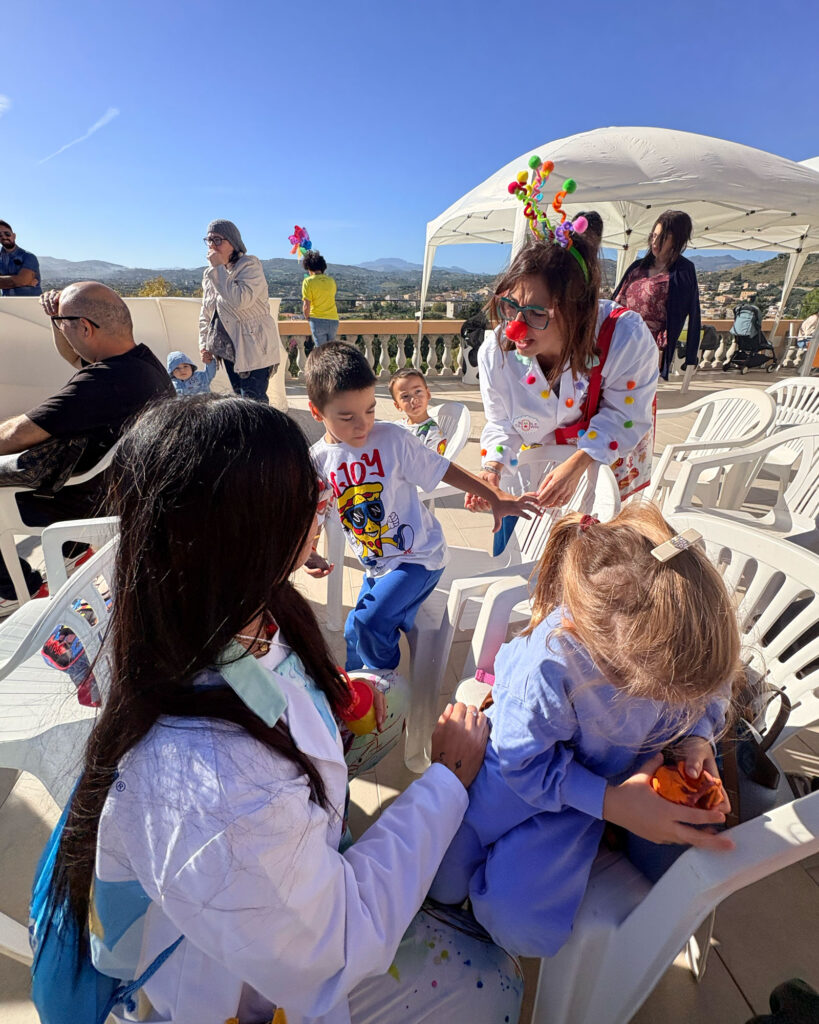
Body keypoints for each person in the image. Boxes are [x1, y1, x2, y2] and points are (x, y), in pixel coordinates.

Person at [45, 395, 524, 1024]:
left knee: (395, 702)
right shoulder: (214, 789)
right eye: (307, 499)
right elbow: (336, 945)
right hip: (239, 989)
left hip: (255, 897)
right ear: (249, 535)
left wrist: (341, 704)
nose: (323, 506)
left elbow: (275, 687)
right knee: (494, 980)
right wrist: (446, 782)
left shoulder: (212, 610)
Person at [430, 502, 740, 958]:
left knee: (523, 927)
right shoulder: (550, 665)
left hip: (588, 791)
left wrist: (697, 736)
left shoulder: (680, 643)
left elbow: (710, 693)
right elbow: (521, 764)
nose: (673, 705)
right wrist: (613, 805)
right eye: (659, 693)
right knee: (439, 881)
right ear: (587, 644)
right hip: (515, 775)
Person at [306, 342, 539, 673]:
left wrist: (494, 495)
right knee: (353, 631)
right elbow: (317, 510)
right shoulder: (317, 460)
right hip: (377, 564)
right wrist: (311, 550)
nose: (363, 425)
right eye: (347, 417)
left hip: (418, 558)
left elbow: (442, 468)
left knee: (370, 622)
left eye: (370, 410)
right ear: (317, 412)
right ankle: (355, 689)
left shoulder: (392, 439)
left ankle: (384, 685)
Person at [0, 282, 171, 614]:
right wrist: (58, 321)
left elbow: (16, 434)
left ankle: (15, 589)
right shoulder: (142, 366)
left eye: (64, 324)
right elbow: (74, 355)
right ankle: (74, 551)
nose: (61, 329)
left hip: (76, 503)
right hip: (112, 490)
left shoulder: (101, 384)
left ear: (86, 328)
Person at [471, 230, 658, 523]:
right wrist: (492, 467)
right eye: (510, 306)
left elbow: (624, 414)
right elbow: (502, 421)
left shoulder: (624, 338)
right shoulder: (495, 353)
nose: (515, 327)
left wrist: (579, 462)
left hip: (606, 463)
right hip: (540, 467)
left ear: (576, 311)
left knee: (596, 539)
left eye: (535, 313)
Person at [198, 219, 281, 404]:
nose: (212, 245)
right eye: (209, 240)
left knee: (255, 403)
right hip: (229, 349)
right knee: (240, 402)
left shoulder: (249, 265)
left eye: (218, 240)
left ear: (233, 243)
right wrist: (203, 343)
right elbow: (207, 311)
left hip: (254, 346)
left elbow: (240, 300)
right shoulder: (210, 274)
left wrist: (218, 269)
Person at [613, 210, 702, 380]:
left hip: (649, 347)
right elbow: (615, 301)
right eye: (653, 235)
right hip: (620, 341)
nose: (655, 241)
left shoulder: (683, 271)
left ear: (677, 240)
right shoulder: (637, 267)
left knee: (637, 391)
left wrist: (691, 356)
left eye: (663, 237)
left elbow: (693, 312)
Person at [389, 367, 447, 453]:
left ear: (428, 394)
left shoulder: (433, 434)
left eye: (418, 391)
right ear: (398, 406)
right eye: (405, 396)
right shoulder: (398, 426)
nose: (414, 399)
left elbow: (432, 461)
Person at [302, 250, 340, 346]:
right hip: (333, 320)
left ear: (309, 267)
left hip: (317, 319)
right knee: (331, 350)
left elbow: (306, 305)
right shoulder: (331, 281)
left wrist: (307, 317)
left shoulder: (308, 281)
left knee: (321, 351)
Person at [0, 220, 42, 296]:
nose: (4, 237)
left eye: (7, 234)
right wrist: (20, 281)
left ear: (14, 236)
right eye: (0, 235)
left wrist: (22, 281)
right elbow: (22, 281)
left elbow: (22, 280)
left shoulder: (28, 257)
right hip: (7, 302)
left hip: (29, 302)